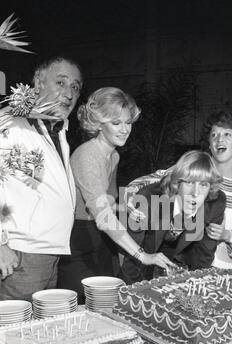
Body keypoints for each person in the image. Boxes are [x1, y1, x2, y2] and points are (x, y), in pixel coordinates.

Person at [57, 87, 176, 302]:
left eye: (128, 122)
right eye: (116, 123)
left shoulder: (113, 155)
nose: (124, 130)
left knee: (106, 308)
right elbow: (103, 216)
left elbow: (109, 204)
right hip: (77, 240)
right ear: (99, 124)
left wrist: (141, 211)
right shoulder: (88, 155)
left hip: (101, 240)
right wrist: (142, 255)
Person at [125, 111, 232, 272]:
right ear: (209, 144)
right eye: (214, 135)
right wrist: (129, 199)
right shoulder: (192, 170)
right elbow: (152, 181)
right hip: (183, 267)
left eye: (227, 134)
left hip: (223, 272)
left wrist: (228, 235)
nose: (220, 139)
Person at [0, 56, 83, 301]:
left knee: (39, 334)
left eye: (75, 87)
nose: (68, 93)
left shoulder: (56, 130)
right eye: (60, 82)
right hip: (21, 256)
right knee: (14, 335)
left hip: (49, 254)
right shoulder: (12, 125)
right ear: (38, 83)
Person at [122, 150, 226, 283]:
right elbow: (131, 259)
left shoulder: (215, 203)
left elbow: (204, 256)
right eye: (189, 182)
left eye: (203, 184)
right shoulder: (147, 199)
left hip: (179, 263)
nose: (195, 193)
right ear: (177, 184)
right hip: (144, 259)